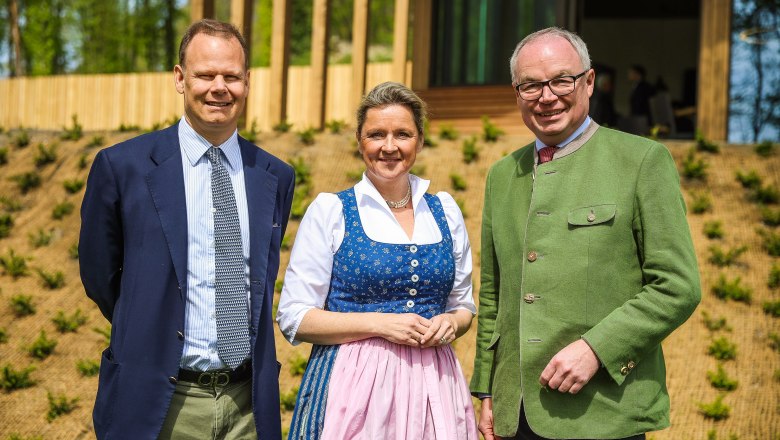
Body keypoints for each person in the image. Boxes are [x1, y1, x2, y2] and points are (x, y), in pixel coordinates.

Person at [470, 27, 701, 440]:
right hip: (515, 413)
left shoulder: (642, 161)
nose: (547, 96)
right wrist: (487, 390)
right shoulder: (502, 175)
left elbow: (677, 287)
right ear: (516, 92)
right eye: (531, 85)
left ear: (589, 82)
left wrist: (597, 349)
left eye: (561, 80)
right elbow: (494, 296)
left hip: (604, 413)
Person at [79, 19, 294, 440]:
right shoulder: (122, 168)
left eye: (231, 76)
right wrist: (147, 319)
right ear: (180, 78)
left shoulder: (275, 176)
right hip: (158, 404)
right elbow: (100, 278)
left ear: (247, 82)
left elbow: (261, 279)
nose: (219, 86)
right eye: (205, 74)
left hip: (248, 406)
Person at [276, 81, 479, 439]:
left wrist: (452, 323)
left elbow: (463, 306)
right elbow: (294, 317)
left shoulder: (444, 210)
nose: (389, 147)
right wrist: (381, 324)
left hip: (436, 387)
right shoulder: (332, 210)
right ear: (359, 140)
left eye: (402, 134)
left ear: (419, 139)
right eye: (376, 135)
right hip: (352, 389)